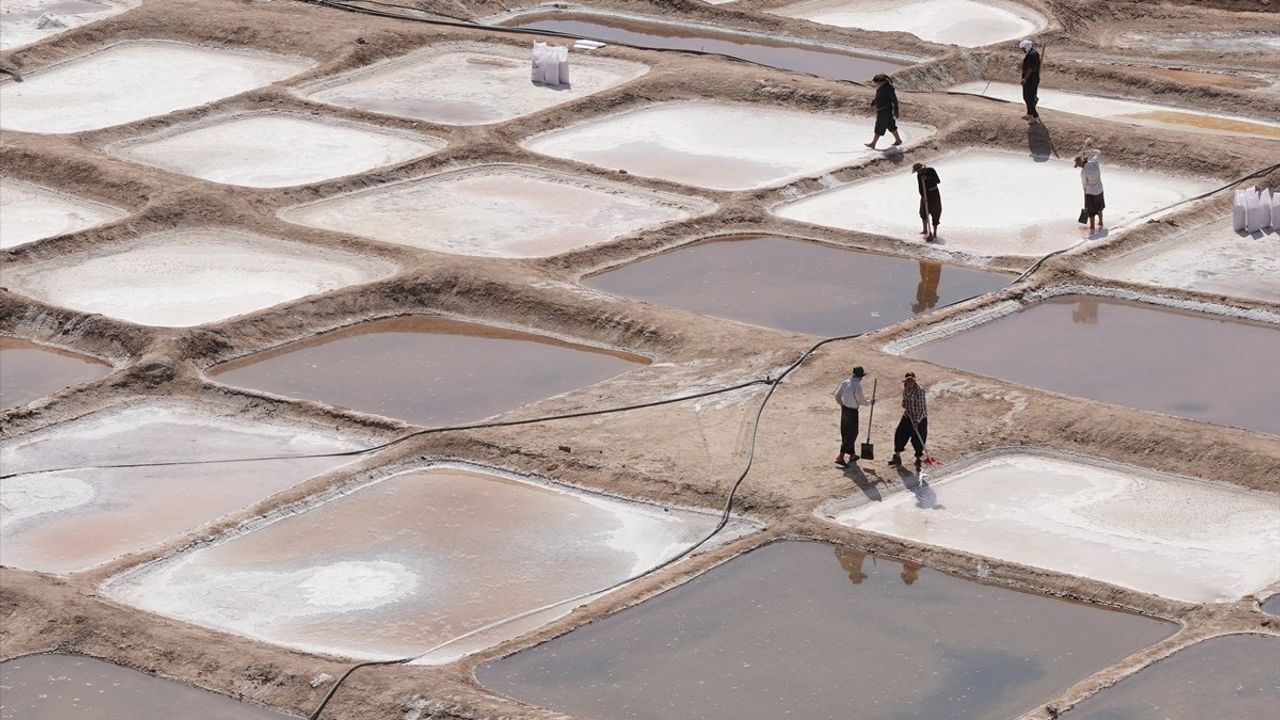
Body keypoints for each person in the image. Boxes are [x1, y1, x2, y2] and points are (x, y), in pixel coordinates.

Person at [834, 366, 873, 467]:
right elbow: (861, 401)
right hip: (852, 413)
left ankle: (852, 455)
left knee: (845, 433)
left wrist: (842, 405)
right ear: (861, 377)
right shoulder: (857, 386)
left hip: (845, 410)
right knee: (851, 434)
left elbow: (837, 395)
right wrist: (870, 402)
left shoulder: (845, 382)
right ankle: (840, 457)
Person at [888, 371, 927, 470]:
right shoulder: (905, 388)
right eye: (907, 381)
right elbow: (905, 400)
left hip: (919, 418)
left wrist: (916, 421)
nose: (909, 383)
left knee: (918, 439)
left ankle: (918, 459)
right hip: (908, 415)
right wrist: (904, 403)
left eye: (911, 381)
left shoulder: (919, 391)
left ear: (914, 381)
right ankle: (897, 457)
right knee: (899, 434)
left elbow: (922, 409)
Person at [864, 73, 903, 149]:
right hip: (882, 110)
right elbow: (878, 96)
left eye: (878, 82)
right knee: (891, 125)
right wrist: (873, 103)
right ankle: (898, 140)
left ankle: (873, 143)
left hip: (885, 110)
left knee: (879, 125)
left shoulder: (889, 88)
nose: (876, 84)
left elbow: (894, 100)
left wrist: (896, 111)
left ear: (882, 81)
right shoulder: (880, 87)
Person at [1075, 140, 1104, 232]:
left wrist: (1084, 191)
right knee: (1099, 208)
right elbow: (1098, 152)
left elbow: (1084, 184)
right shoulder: (1094, 162)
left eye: (1079, 165)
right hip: (1099, 189)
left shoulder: (1084, 172)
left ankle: (1092, 227)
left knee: (1091, 210)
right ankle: (1100, 222)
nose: (1079, 166)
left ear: (1081, 163)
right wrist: (1088, 151)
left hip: (1090, 192)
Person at [913, 162, 942, 241]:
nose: (918, 172)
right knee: (923, 212)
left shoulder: (931, 170)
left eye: (919, 171)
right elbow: (920, 187)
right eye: (917, 171)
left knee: (936, 211)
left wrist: (927, 179)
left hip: (934, 194)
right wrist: (923, 197)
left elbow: (937, 181)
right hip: (925, 195)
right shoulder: (919, 175)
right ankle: (925, 229)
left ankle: (934, 232)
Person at [1019, 39, 1041, 121]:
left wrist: (1025, 79)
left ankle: (1035, 116)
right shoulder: (1030, 53)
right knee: (1026, 96)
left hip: (1031, 79)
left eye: (1023, 49)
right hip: (1029, 78)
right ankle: (1029, 114)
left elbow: (1030, 69)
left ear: (1027, 47)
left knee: (1029, 98)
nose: (1023, 51)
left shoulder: (1032, 54)